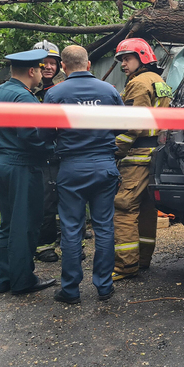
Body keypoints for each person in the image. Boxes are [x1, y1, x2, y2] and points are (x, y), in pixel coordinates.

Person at [41, 45, 123, 304]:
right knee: (104, 227)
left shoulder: (55, 93)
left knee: (71, 228)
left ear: (63, 67)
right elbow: (122, 124)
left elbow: (45, 134)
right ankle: (104, 286)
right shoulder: (109, 90)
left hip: (72, 169)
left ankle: (71, 290)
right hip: (104, 165)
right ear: (89, 65)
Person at [0, 49, 57, 295]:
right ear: (31, 71)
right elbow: (32, 136)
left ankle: (4, 279)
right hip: (22, 166)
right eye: (40, 69)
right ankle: (22, 280)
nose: (42, 73)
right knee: (25, 224)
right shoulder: (24, 98)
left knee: (7, 223)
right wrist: (53, 149)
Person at [112, 38, 171, 280]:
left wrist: (115, 150)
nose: (123, 64)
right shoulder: (160, 82)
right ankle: (143, 259)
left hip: (137, 156)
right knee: (147, 208)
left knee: (124, 207)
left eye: (127, 58)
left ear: (142, 57)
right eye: (121, 60)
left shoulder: (138, 84)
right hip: (157, 156)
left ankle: (126, 266)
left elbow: (132, 127)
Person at [30, 41, 66, 263]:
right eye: (44, 63)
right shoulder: (27, 91)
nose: (48, 67)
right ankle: (44, 246)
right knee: (44, 202)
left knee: (68, 200)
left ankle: (71, 242)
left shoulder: (64, 88)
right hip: (39, 155)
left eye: (53, 63)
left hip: (63, 152)